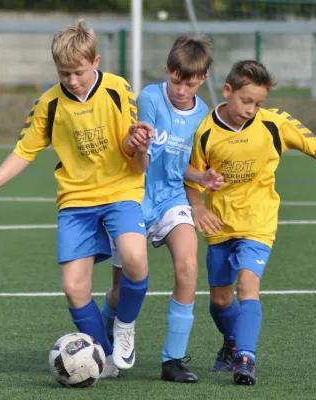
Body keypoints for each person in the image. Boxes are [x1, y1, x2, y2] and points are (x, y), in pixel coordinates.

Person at [0, 21, 154, 378]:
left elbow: (134, 150)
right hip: (75, 199)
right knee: (73, 288)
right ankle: (104, 355)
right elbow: (25, 150)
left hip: (120, 190)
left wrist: (137, 143)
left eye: (79, 72)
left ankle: (125, 327)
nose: (72, 80)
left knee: (134, 258)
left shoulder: (118, 90)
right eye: (64, 73)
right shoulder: (49, 103)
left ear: (95, 61)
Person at [185, 60, 316, 386]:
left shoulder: (274, 124)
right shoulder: (205, 131)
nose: (252, 109)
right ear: (227, 91)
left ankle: (245, 358)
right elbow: (194, 177)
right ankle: (232, 342)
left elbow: (312, 145)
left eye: (259, 103)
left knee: (248, 286)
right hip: (221, 227)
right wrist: (198, 206)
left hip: (259, 223)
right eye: (246, 101)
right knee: (219, 303)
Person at [100, 36, 224, 383]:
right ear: (167, 72)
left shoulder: (203, 116)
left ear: (203, 79)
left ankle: (173, 361)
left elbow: (180, 165)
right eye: (176, 80)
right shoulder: (150, 98)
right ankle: (109, 347)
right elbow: (144, 161)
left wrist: (203, 177)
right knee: (121, 285)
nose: (182, 89)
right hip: (133, 197)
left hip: (171, 199)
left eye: (191, 82)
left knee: (187, 266)